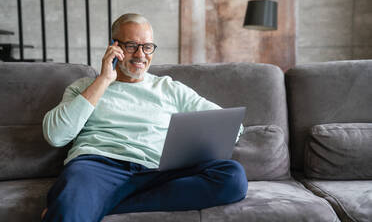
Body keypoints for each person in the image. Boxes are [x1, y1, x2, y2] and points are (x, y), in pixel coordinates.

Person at [41, 13, 248, 222]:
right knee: (74, 191)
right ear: (114, 47)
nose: (141, 55)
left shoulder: (169, 88)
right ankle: (81, 202)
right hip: (98, 167)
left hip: (158, 171)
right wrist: (104, 79)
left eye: (147, 47)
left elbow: (229, 124)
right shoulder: (85, 87)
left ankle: (91, 204)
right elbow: (56, 136)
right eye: (131, 45)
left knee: (233, 176)